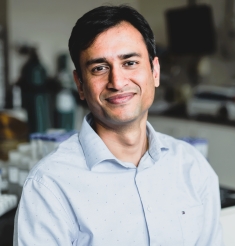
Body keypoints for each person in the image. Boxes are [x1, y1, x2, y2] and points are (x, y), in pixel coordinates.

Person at [14, 5, 223, 246]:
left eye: (130, 63)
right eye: (99, 68)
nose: (117, 81)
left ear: (155, 71)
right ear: (80, 84)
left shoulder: (193, 168)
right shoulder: (48, 186)